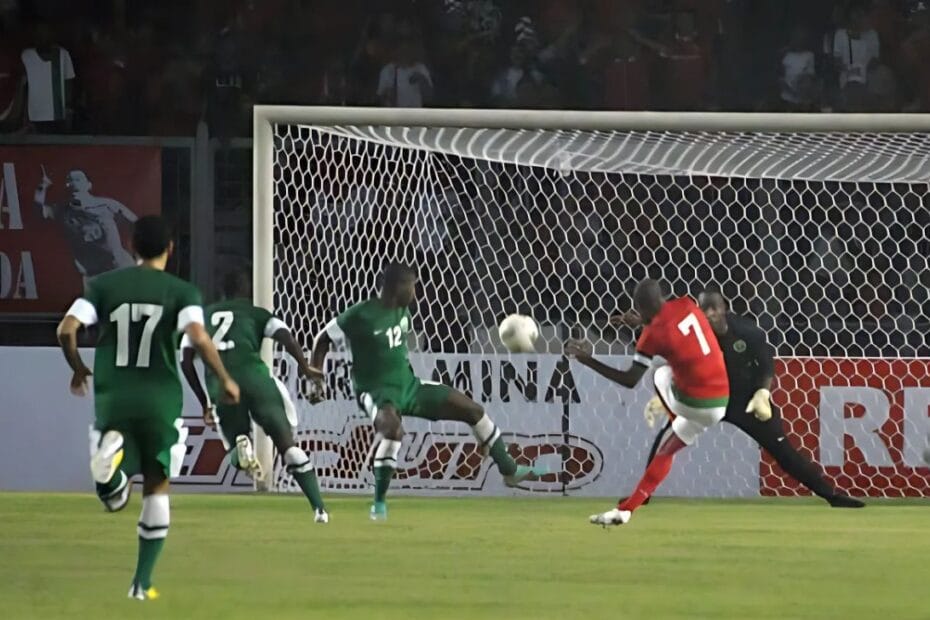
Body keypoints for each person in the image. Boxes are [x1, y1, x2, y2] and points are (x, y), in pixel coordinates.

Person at [56, 216, 239, 600]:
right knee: (157, 484)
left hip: (114, 395)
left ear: (132, 245)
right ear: (170, 250)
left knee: (113, 499)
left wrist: (77, 368)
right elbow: (198, 338)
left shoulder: (103, 286)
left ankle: (112, 473)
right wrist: (224, 378)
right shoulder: (182, 292)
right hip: (160, 398)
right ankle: (141, 582)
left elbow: (66, 329)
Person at [310, 262, 543, 520]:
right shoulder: (361, 314)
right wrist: (316, 378)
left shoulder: (403, 312)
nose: (416, 292)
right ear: (396, 287)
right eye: (412, 286)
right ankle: (379, 504)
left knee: (473, 410)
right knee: (392, 430)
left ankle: (509, 470)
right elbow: (322, 339)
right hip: (376, 393)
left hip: (410, 387)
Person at [617, 289, 865, 509]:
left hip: (744, 401)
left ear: (724, 308)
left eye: (714, 307)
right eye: (704, 308)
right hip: (707, 399)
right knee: (665, 439)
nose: (709, 313)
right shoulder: (692, 333)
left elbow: (766, 366)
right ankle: (644, 495)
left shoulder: (748, 332)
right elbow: (665, 333)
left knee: (784, 451)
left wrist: (762, 393)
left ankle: (831, 495)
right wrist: (642, 323)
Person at [565, 279, 729, 527]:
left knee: (659, 373)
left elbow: (630, 379)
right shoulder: (686, 303)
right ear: (661, 297)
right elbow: (672, 324)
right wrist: (643, 321)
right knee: (667, 451)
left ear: (640, 307)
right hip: (721, 401)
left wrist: (588, 361)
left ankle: (674, 417)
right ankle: (627, 509)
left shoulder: (652, 336)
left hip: (693, 404)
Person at [180, 271, 329, 523]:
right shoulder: (256, 313)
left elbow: (185, 360)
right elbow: (286, 337)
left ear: (221, 292)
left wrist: (204, 401)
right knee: (288, 447)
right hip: (257, 380)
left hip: (222, 387)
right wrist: (305, 367)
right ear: (247, 291)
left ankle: (242, 444)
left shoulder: (202, 318)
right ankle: (319, 509)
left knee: (236, 455)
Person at [35, 167, 137, 283]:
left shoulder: (108, 205)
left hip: (122, 270)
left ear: (88, 185)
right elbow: (39, 211)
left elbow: (138, 225)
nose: (73, 183)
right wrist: (42, 186)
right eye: (69, 181)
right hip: (95, 278)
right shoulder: (62, 211)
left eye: (78, 179)